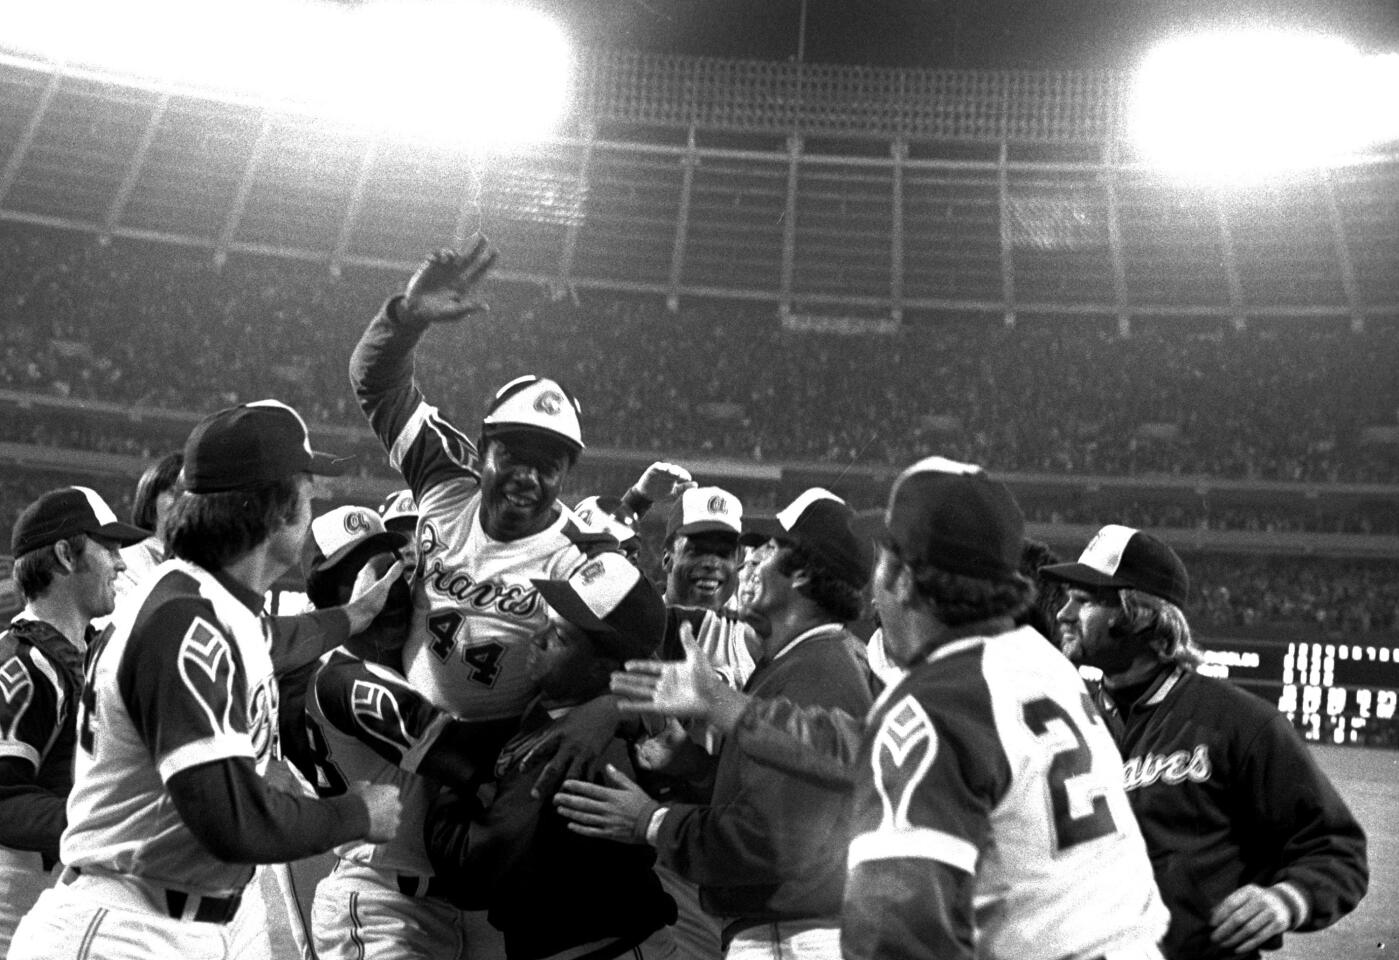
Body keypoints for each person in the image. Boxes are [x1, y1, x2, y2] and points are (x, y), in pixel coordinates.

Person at [605, 458, 1170, 960]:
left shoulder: (936, 697)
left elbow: (901, 923)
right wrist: (728, 708)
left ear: (905, 578)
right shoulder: (1042, 670)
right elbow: (857, 745)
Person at [8, 399, 403, 960]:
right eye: (309, 489)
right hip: (126, 928)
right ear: (275, 507)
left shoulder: (206, 603)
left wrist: (355, 615)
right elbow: (230, 820)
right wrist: (357, 813)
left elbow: (278, 640)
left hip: (175, 920)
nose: (316, 504)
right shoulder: (182, 621)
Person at [556, 488, 876, 960]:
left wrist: (652, 821)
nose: (748, 563)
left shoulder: (821, 669)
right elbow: (781, 801)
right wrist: (697, 768)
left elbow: (774, 843)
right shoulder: (803, 661)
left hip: (791, 938)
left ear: (803, 574)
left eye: (767, 550)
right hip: (785, 932)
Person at [349, 241, 621, 768]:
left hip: (494, 756)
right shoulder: (444, 477)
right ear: (481, 451)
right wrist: (406, 319)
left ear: (567, 474)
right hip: (401, 726)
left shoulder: (585, 556)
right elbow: (375, 384)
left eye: (548, 464)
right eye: (513, 453)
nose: (527, 475)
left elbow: (633, 652)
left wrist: (610, 707)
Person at [1043, 524, 1369, 960]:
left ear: (1137, 614)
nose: (1063, 614)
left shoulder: (1240, 722)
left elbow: (1336, 848)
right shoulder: (1069, 718)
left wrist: (1287, 899)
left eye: (1083, 601)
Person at [442, 551, 679, 960]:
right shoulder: (566, 710)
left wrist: (444, 776)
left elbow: (472, 872)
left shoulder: (569, 750)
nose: (536, 638)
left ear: (603, 669)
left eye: (560, 637)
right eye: (546, 625)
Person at [294, 505, 490, 960]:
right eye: (358, 575)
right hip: (380, 905)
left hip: (442, 907)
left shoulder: (409, 663)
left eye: (387, 567)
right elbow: (461, 757)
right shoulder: (341, 676)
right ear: (328, 599)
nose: (387, 589)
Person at [0, 487, 150, 956]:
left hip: (85, 903)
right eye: (108, 548)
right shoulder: (21, 665)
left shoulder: (100, 653)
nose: (122, 563)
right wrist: (114, 823)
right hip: (22, 908)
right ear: (66, 554)